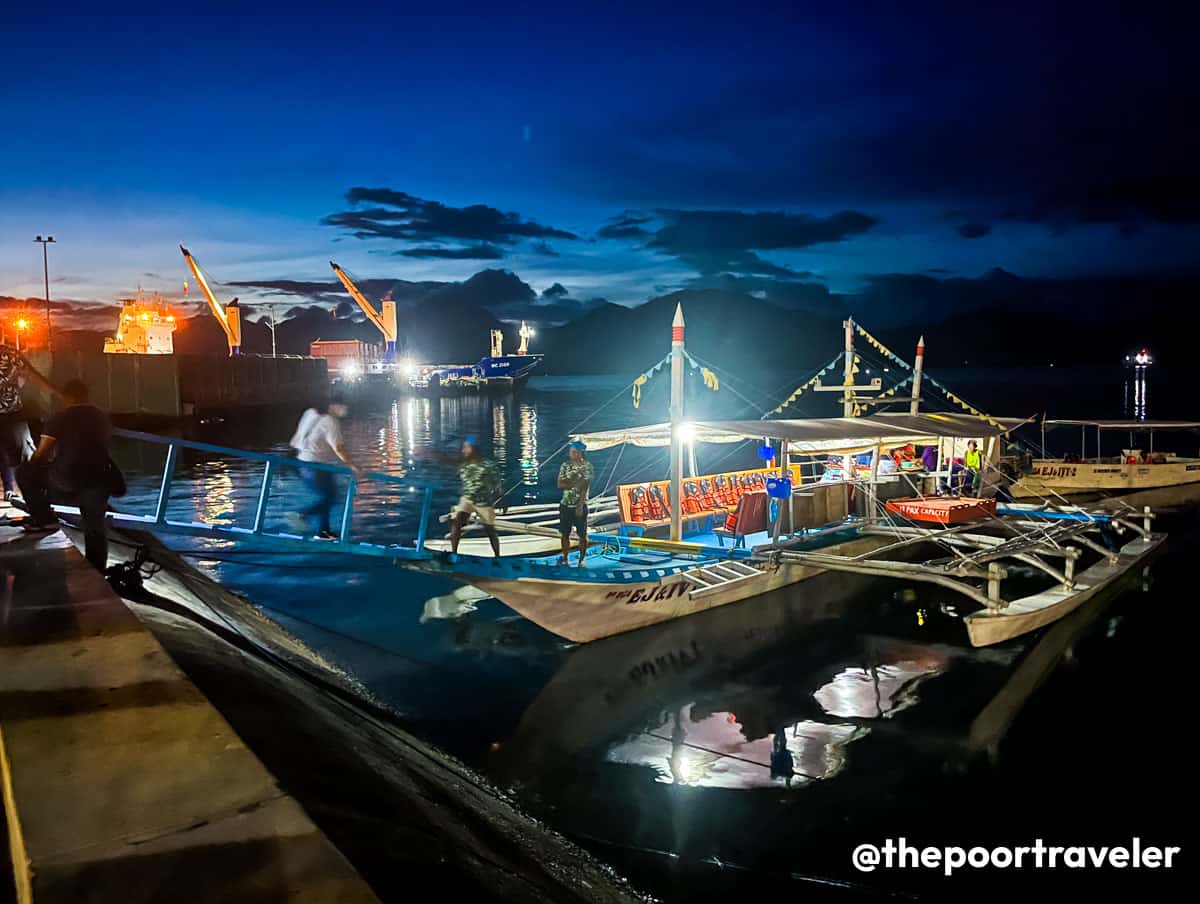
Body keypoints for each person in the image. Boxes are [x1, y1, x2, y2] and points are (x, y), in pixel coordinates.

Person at [17, 380, 120, 571]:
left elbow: (41, 455)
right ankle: (97, 571)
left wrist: (36, 463)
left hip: (68, 478)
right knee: (95, 526)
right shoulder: (101, 416)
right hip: (101, 477)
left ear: (67, 397)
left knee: (24, 472)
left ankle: (44, 518)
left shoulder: (60, 416)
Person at [289, 394, 370, 539]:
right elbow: (338, 448)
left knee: (327, 496)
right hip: (316, 466)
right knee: (331, 497)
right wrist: (353, 466)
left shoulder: (310, 412)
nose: (346, 410)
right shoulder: (331, 421)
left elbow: (295, 440)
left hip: (301, 464)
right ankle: (303, 515)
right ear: (334, 406)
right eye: (344, 407)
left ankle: (323, 532)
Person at [0, 343, 51, 500]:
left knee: (8, 453)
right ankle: (37, 501)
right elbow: (29, 375)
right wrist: (56, 393)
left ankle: (14, 490)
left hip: (11, 413)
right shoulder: (9, 354)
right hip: (11, 413)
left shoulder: (9, 354)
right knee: (23, 455)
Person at [450, 436, 502, 561]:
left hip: (483, 501)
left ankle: (497, 557)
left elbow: (497, 483)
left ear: (474, 449)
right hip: (467, 499)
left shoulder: (487, 465)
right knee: (457, 522)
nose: (463, 451)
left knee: (490, 530)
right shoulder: (464, 464)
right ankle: (454, 553)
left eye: (466, 448)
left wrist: (502, 498)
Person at [557, 440, 593, 566]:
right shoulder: (565, 465)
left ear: (580, 453)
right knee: (564, 533)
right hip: (565, 504)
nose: (571, 454)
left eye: (574, 452)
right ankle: (565, 558)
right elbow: (560, 484)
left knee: (582, 534)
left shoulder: (587, 466)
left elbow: (585, 487)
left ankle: (581, 560)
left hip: (580, 504)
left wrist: (580, 505)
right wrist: (576, 482)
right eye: (571, 451)